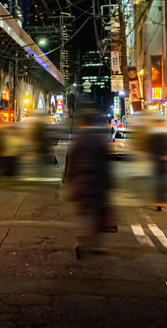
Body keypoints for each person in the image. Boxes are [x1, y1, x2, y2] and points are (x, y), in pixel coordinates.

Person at [64, 100, 115, 259]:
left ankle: (81, 240)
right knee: (98, 214)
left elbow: (71, 160)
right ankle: (97, 245)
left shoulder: (77, 139)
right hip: (98, 183)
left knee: (82, 213)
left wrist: (69, 180)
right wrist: (110, 185)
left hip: (81, 182)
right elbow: (105, 164)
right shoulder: (100, 139)